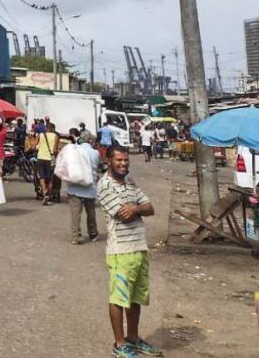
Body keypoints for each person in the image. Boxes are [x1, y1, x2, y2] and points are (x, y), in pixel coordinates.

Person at [97, 146, 161, 358]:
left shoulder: (130, 182)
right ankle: (120, 343)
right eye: (119, 160)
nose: (123, 164)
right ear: (109, 161)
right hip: (121, 251)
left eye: (126, 160)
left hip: (139, 247)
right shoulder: (105, 185)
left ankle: (133, 338)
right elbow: (123, 215)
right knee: (119, 298)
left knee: (135, 298)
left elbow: (150, 208)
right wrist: (136, 208)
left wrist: (135, 208)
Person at [64, 130, 101, 245]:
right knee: (90, 212)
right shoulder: (95, 153)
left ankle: (76, 236)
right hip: (89, 187)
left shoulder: (73, 151)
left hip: (74, 186)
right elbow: (96, 168)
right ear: (90, 140)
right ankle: (93, 233)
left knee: (75, 213)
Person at [36, 122, 60, 205]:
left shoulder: (40, 135)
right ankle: (49, 197)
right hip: (49, 159)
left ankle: (44, 193)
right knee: (50, 179)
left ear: (46, 128)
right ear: (53, 129)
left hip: (40, 158)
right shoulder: (56, 136)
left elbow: (34, 146)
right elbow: (54, 150)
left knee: (41, 178)